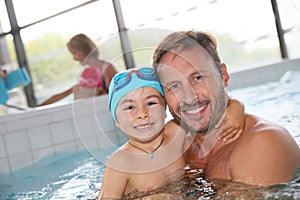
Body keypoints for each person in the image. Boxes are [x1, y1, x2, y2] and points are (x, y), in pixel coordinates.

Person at [152, 30, 300, 186]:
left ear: (223, 75)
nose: (189, 97)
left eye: (198, 78)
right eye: (174, 86)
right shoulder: (174, 142)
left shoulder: (262, 143)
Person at [98, 67, 245, 199]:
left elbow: (208, 110)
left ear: (165, 110)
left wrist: (236, 106)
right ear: (116, 121)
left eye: (151, 103)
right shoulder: (121, 162)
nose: (142, 114)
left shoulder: (177, 132)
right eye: (130, 107)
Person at [39, 33, 118, 106]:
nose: (74, 58)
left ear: (83, 50)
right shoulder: (88, 74)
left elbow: (115, 95)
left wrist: (93, 92)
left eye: (74, 53)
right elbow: (63, 94)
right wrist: (37, 108)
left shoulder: (106, 68)